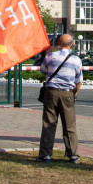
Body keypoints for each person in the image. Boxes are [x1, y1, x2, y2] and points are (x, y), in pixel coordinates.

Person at [37, 33, 84, 163]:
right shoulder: (76, 60)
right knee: (69, 125)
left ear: (59, 44)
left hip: (51, 92)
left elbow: (43, 70)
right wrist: (74, 93)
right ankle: (73, 154)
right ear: (72, 45)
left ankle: (45, 154)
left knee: (49, 123)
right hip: (67, 93)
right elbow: (79, 80)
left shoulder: (51, 56)